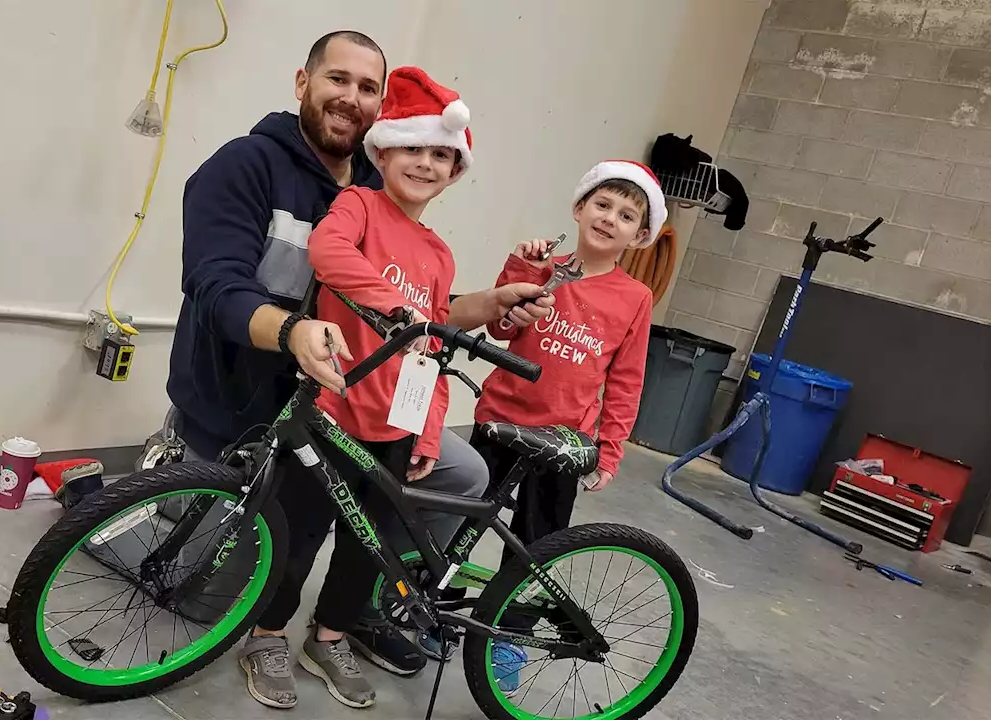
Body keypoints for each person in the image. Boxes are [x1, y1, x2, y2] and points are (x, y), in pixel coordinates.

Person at [164, 31, 555, 709]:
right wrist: (303, 327)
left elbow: (428, 331)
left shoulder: (413, 223)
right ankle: (246, 602)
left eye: (368, 87)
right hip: (248, 409)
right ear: (301, 82)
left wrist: (484, 311)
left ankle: (345, 623)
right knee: (213, 590)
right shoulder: (258, 169)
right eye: (336, 79)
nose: (351, 97)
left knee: (375, 532)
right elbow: (227, 281)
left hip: (384, 416)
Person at [241, 66, 473, 710]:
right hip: (332, 414)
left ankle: (330, 637)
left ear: (454, 172)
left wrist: (429, 427)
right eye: (414, 148)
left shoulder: (440, 253)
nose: (426, 164)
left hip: (397, 428)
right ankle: (266, 636)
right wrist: (392, 303)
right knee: (296, 534)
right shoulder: (359, 206)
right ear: (383, 149)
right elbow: (328, 252)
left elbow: (433, 346)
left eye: (441, 155)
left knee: (366, 548)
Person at [469, 160, 665, 694]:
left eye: (627, 215)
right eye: (602, 204)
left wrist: (611, 448)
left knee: (537, 546)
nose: (610, 219)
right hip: (498, 420)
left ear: (640, 236)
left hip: (560, 442)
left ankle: (510, 637)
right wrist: (519, 264)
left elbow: (626, 379)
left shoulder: (634, 299)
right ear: (579, 208)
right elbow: (498, 327)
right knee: (456, 522)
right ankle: (430, 606)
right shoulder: (542, 266)